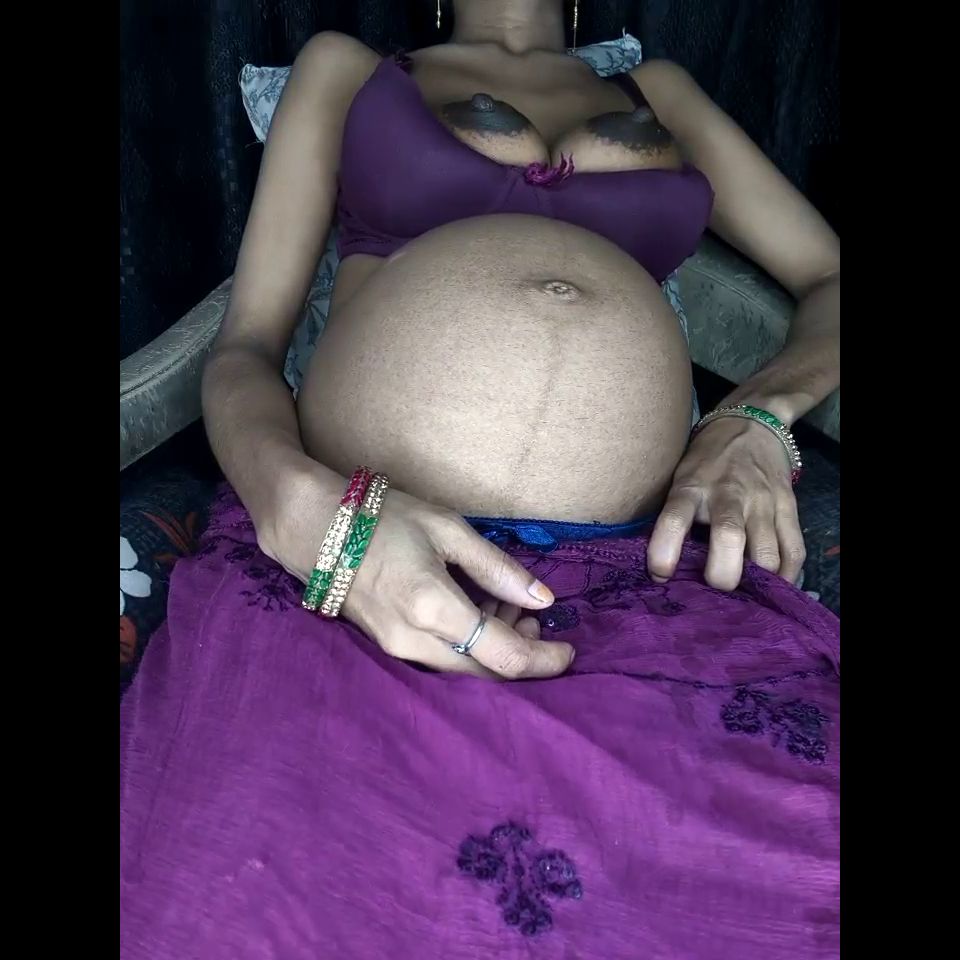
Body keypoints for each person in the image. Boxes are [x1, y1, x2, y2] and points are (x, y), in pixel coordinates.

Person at [121, 2, 840, 955]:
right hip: (365, 546)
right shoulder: (348, 69)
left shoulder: (661, 91)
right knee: (260, 896)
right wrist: (308, 513)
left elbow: (832, 275)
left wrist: (759, 417)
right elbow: (245, 346)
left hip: (646, 565)